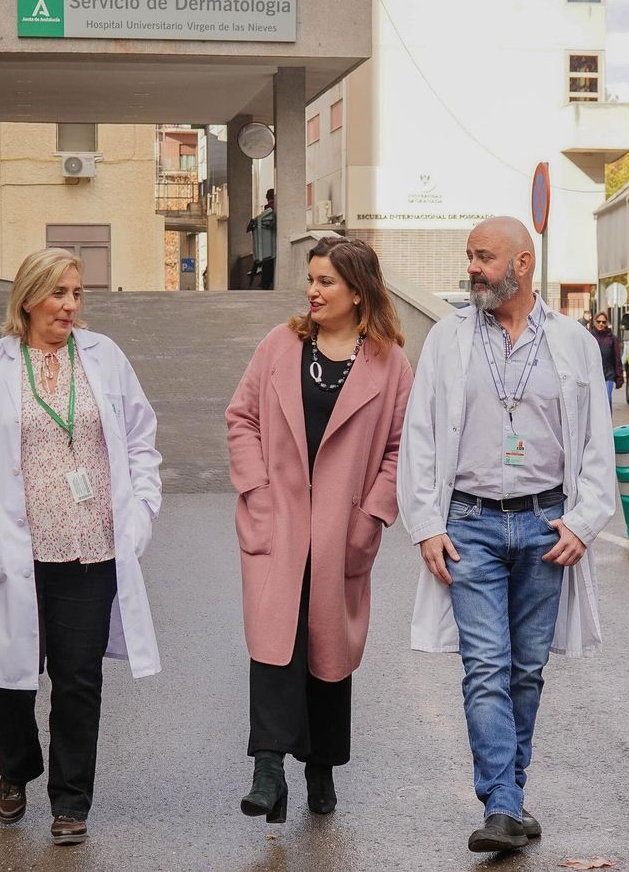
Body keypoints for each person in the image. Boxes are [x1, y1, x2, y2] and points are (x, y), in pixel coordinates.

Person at [398, 217, 616, 854]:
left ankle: (510, 798)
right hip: (469, 524)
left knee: (526, 670)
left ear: (522, 263)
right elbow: (421, 436)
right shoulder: (446, 337)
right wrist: (426, 525)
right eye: (469, 256)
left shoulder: (572, 342)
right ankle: (500, 803)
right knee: (486, 667)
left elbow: (596, 443)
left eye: (484, 257)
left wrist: (584, 521)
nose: (472, 268)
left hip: (547, 524)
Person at [0, 248, 163, 846]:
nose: (70, 306)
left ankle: (71, 801)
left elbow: (143, 439)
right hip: (17, 548)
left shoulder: (105, 358)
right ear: (29, 298)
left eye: (77, 294)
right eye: (60, 294)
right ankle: (16, 770)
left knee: (78, 679)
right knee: (10, 677)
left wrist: (141, 511)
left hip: (91, 544)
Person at [226, 236, 413, 823]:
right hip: (276, 521)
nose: (313, 290)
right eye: (311, 278)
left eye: (327, 281)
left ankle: (322, 768)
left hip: (342, 528)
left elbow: (400, 448)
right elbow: (242, 418)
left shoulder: (389, 362)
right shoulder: (280, 346)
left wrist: (371, 515)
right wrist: (256, 490)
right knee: (274, 645)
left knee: (328, 652)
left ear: (359, 292)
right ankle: (267, 768)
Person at [589, 311, 625, 408]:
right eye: (599, 321)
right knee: (594, 401)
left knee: (607, 398)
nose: (601, 324)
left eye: (603, 322)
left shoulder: (612, 339)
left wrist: (619, 378)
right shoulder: (589, 336)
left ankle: (608, 422)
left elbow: (617, 359)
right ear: (595, 322)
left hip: (608, 374)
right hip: (593, 375)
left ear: (606, 324)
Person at [246, 189, 278, 290]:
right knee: (269, 265)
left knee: (266, 264)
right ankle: (264, 284)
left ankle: (262, 280)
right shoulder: (274, 209)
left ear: (267, 198)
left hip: (263, 247)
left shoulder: (266, 210)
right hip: (271, 246)